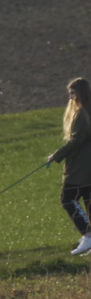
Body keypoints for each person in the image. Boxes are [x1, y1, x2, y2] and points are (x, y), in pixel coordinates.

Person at [51, 77, 91, 255]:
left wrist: (56, 156)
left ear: (80, 94)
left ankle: (88, 235)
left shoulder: (82, 114)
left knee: (67, 199)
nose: (70, 98)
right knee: (89, 200)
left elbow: (76, 140)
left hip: (81, 168)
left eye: (73, 94)